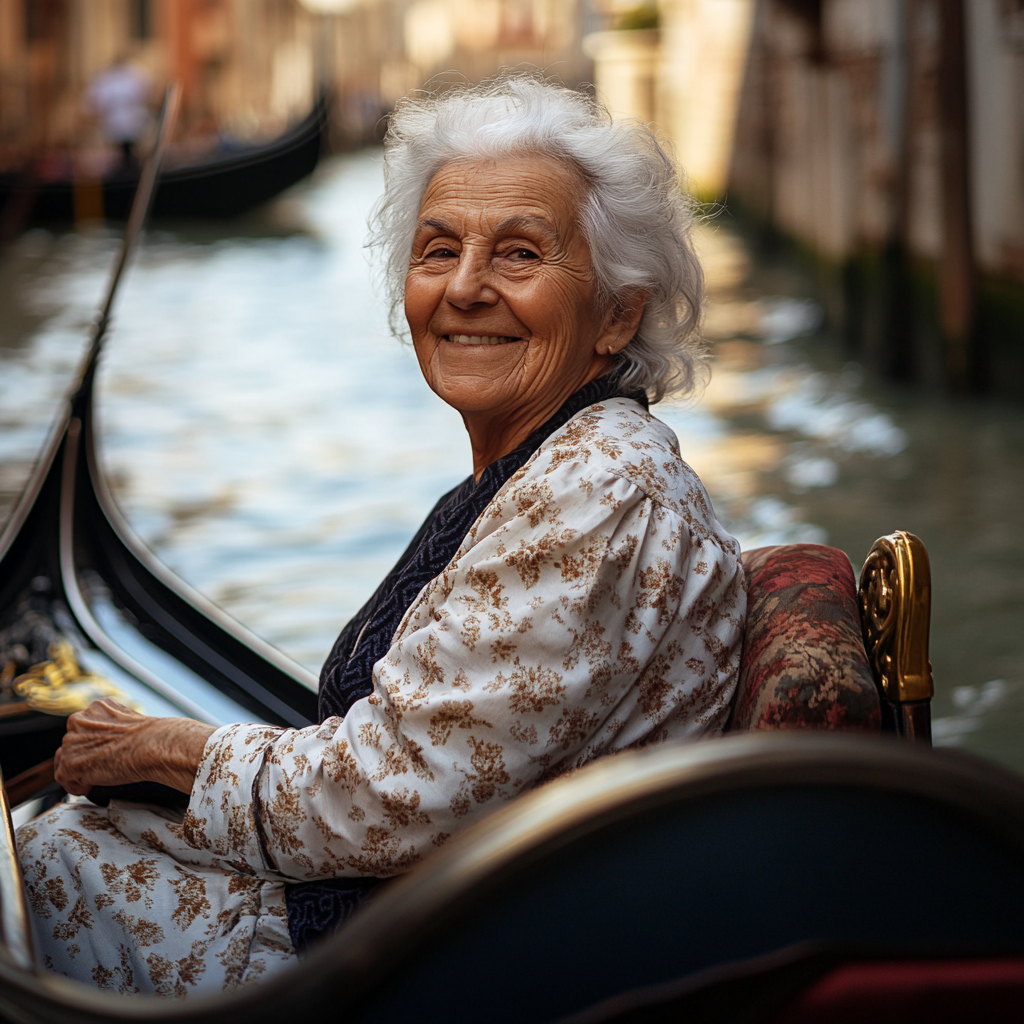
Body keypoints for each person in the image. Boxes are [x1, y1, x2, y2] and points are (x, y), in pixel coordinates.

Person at [17, 74, 746, 997]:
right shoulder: (543, 468)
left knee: (43, 859)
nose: (467, 286)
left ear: (617, 314)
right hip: (453, 904)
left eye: (519, 254)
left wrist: (169, 750)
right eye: (438, 250)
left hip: (458, 969)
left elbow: (383, 797)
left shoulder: (598, 495)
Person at [85, 57, 152, 171]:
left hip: (127, 120)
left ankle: (129, 167)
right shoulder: (131, 74)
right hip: (121, 121)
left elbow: (95, 101)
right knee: (122, 152)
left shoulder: (128, 74)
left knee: (128, 150)